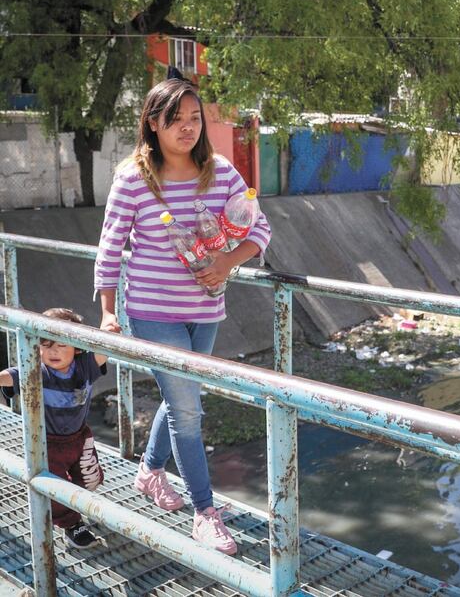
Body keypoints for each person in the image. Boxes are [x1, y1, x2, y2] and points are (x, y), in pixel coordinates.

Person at [94, 79, 271, 555]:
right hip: (152, 312)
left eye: (195, 119)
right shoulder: (134, 176)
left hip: (206, 310)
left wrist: (228, 262)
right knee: (189, 412)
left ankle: (150, 473)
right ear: (153, 124)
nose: (188, 128)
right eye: (177, 120)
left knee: (181, 402)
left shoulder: (221, 173)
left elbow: (262, 227)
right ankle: (205, 512)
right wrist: (108, 313)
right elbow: (111, 246)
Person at [0, 308, 110, 549]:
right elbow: (9, 376)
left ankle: (78, 504)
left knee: (90, 480)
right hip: (48, 442)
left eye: (62, 345)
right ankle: (71, 524)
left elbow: (106, 349)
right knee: (55, 485)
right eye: (46, 344)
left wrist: (109, 326)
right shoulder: (36, 370)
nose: (53, 351)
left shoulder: (85, 367)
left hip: (79, 436)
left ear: (77, 347)